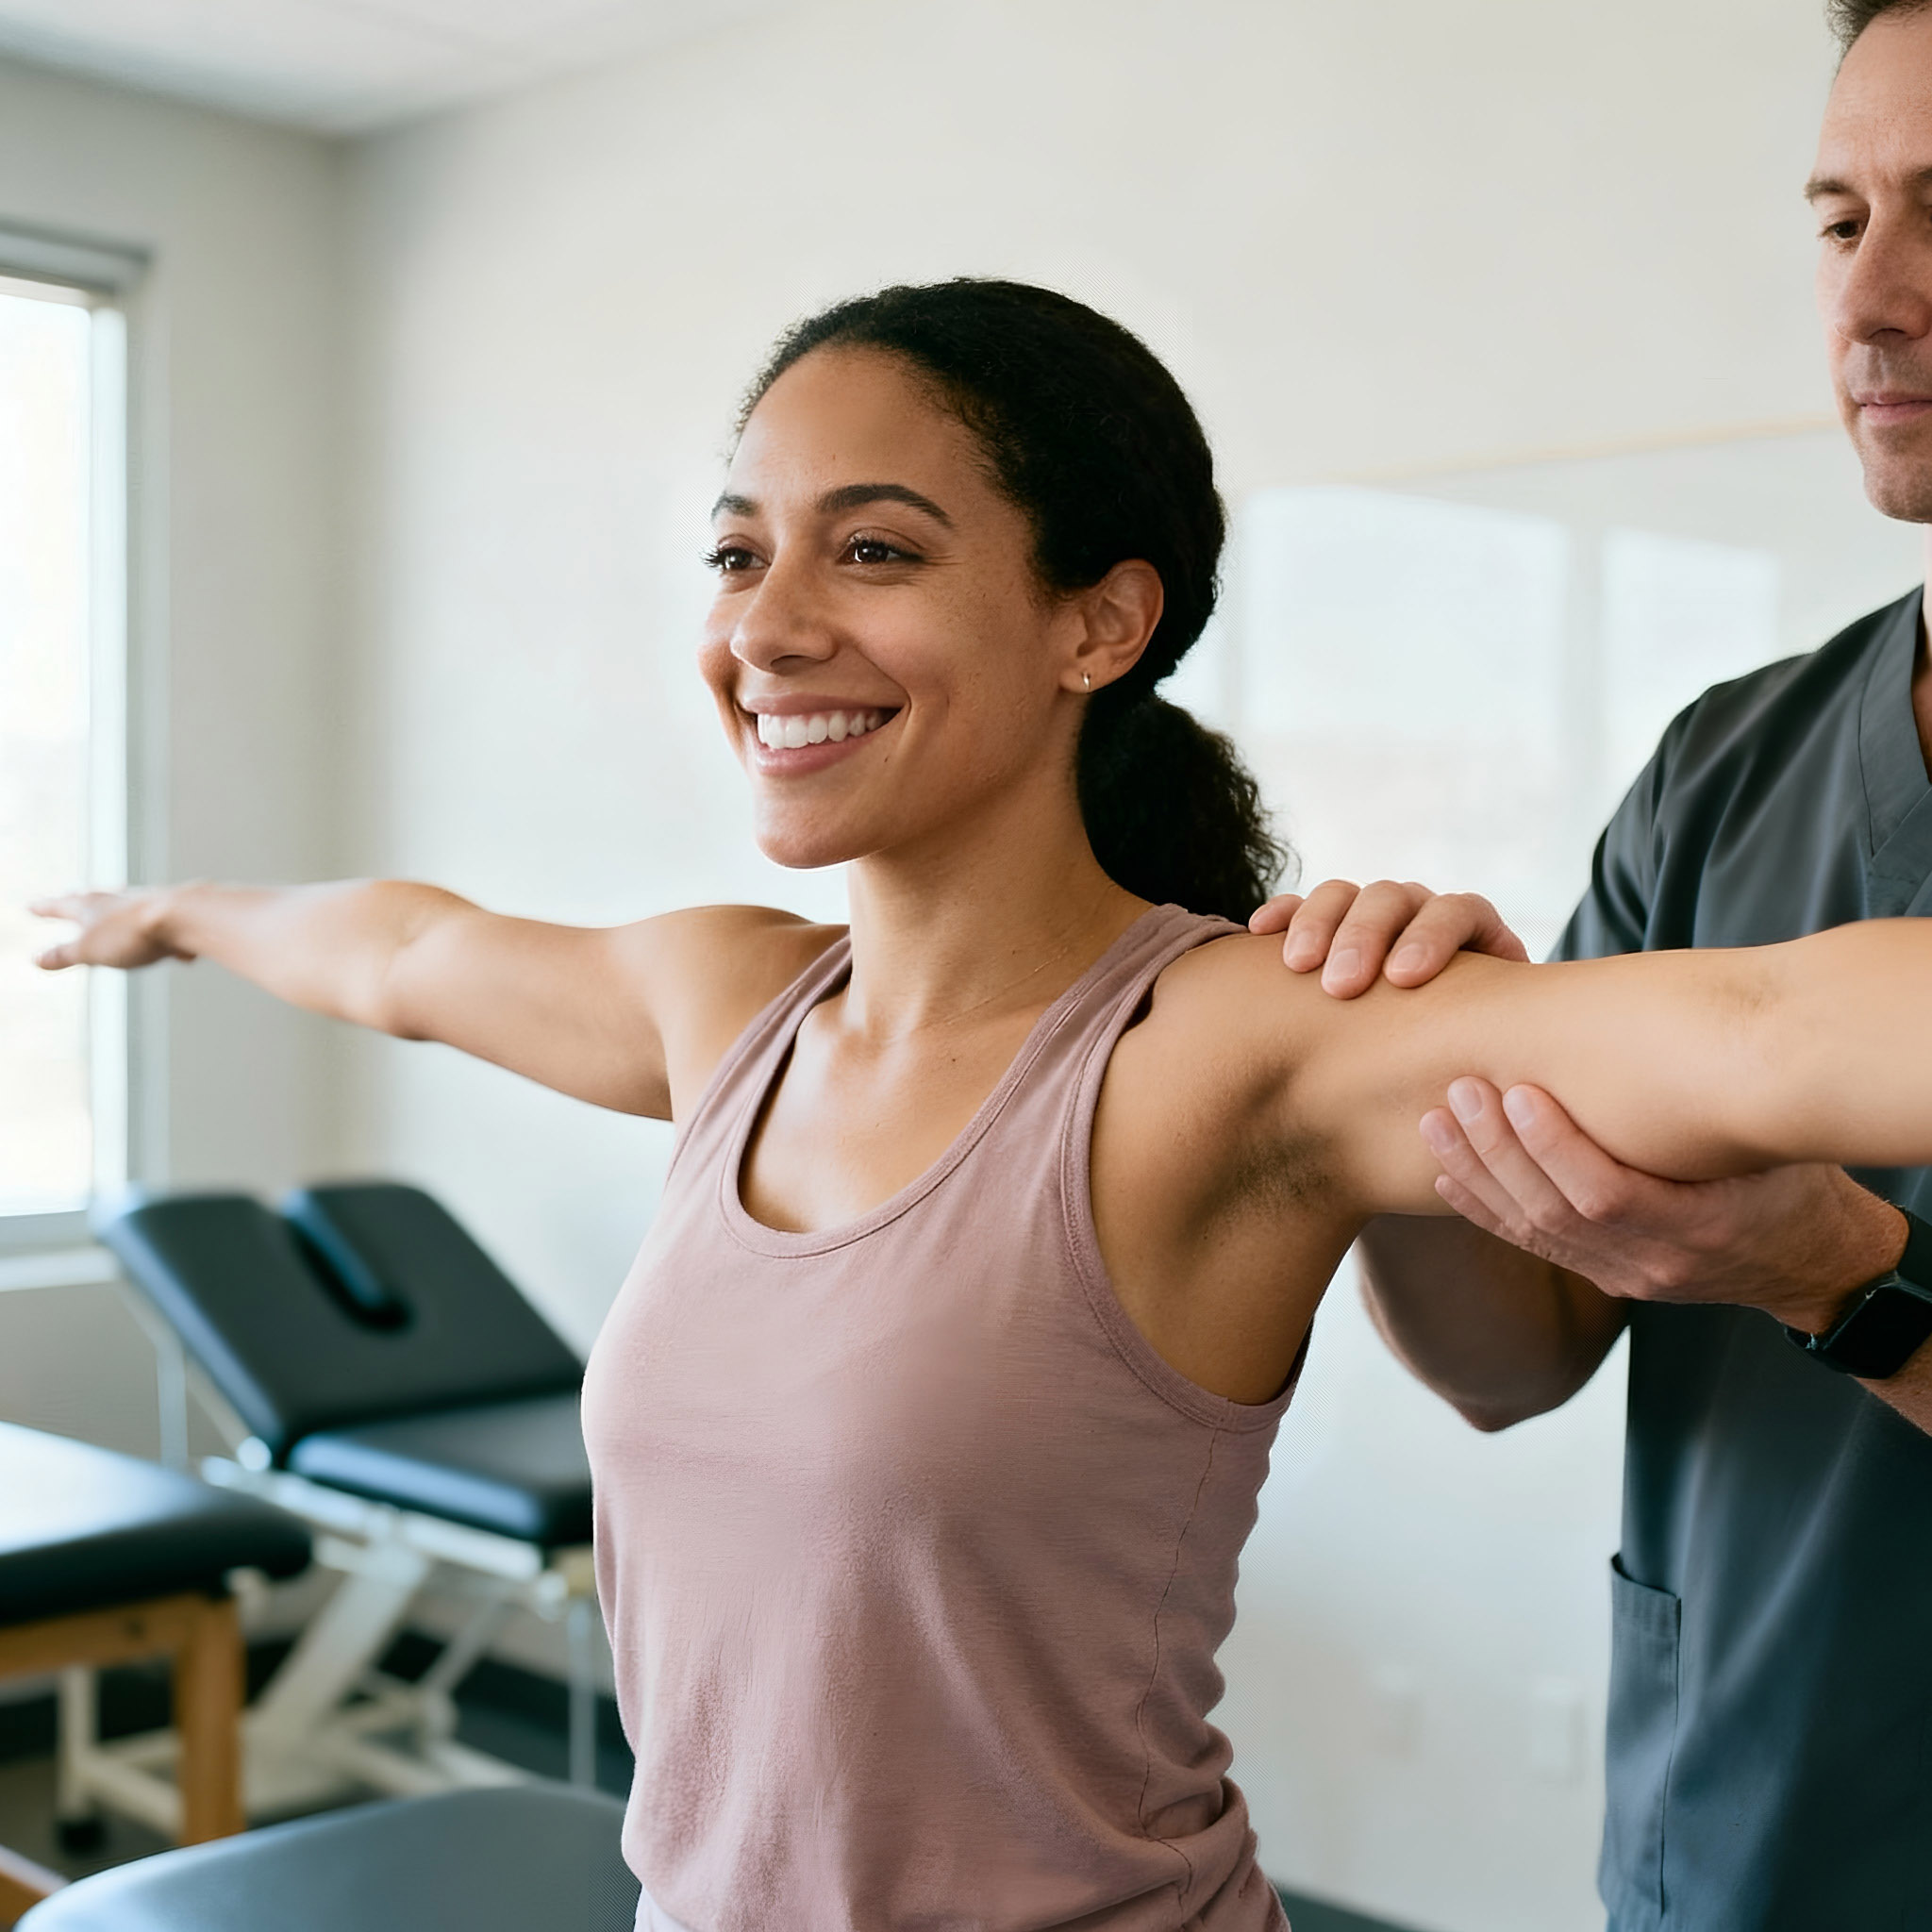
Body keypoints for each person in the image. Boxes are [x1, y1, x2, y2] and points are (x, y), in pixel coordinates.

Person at [30, 279, 1932, 1932]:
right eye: (734, 548)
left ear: (1096, 623)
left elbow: (1772, 1023)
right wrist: (172, 913)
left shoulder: (1236, 1038)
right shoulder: (729, 1005)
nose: (765, 625)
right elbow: (411, 952)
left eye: (871, 550)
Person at [1249, 7, 1932, 1927]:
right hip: (1736, 1821)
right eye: (1833, 217)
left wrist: (1839, 1282)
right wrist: (1405, 1098)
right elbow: (1510, 1360)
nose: (1870, 299)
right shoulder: (1732, 764)